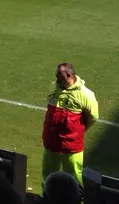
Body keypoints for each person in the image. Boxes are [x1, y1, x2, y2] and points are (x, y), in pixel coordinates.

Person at [42, 63, 99, 191]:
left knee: (74, 178)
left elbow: (93, 117)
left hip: (71, 146)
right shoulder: (53, 88)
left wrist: (78, 130)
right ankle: (46, 198)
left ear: (68, 75)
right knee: (47, 176)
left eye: (59, 75)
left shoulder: (85, 94)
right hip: (51, 142)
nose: (56, 77)